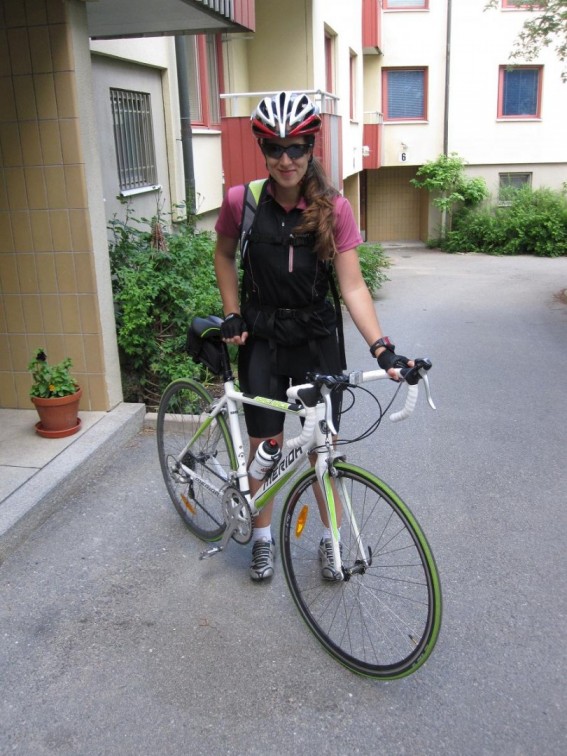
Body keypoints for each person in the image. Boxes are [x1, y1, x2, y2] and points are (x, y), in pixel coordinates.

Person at [214, 91, 411, 582]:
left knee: (323, 447)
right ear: (262, 148)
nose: (286, 160)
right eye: (274, 148)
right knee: (266, 445)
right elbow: (223, 255)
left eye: (296, 148)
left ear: (310, 148)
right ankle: (262, 538)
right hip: (263, 339)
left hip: (317, 339)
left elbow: (352, 285)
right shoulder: (243, 203)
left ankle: (331, 540)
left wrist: (381, 348)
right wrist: (233, 312)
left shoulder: (334, 208)